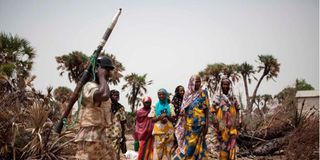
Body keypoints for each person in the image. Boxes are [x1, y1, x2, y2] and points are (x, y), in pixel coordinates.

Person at [74, 56, 115, 160]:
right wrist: (101, 76)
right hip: (89, 135)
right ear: (98, 69)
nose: (108, 72)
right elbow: (104, 95)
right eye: (106, 69)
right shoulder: (89, 86)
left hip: (101, 134)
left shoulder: (101, 85)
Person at [174, 74, 209, 160]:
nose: (198, 83)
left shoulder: (203, 93)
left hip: (200, 124)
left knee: (200, 146)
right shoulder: (187, 95)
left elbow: (206, 110)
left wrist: (207, 125)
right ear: (191, 82)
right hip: (189, 126)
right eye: (196, 81)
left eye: (199, 81)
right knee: (189, 147)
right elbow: (183, 111)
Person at [211, 78, 240, 160]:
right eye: (224, 84)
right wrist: (215, 120)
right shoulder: (218, 97)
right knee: (223, 144)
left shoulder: (233, 97)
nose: (226, 86)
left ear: (229, 85)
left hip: (233, 124)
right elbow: (213, 110)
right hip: (222, 124)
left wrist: (238, 120)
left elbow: (238, 109)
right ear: (221, 85)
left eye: (227, 84)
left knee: (232, 144)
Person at [148, 88, 175, 160]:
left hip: (169, 133)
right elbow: (152, 119)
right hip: (158, 133)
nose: (161, 96)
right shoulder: (154, 106)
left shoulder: (170, 106)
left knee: (169, 153)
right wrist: (160, 117)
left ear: (166, 95)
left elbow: (173, 119)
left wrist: (166, 116)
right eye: (159, 94)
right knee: (158, 153)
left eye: (163, 94)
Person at [105, 89, 127, 160]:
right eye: (114, 95)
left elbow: (123, 122)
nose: (116, 97)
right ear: (110, 96)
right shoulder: (105, 107)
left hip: (116, 134)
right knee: (105, 153)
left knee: (115, 153)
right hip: (105, 134)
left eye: (118, 96)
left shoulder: (121, 108)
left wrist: (123, 136)